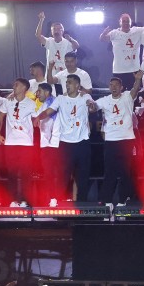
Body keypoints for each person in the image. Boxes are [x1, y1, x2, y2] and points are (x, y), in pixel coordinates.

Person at [40, 75, 99, 203]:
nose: (67, 84)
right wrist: (38, 118)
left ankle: (82, 203)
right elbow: (49, 111)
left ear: (77, 85)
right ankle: (58, 202)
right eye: (66, 82)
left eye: (70, 82)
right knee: (62, 175)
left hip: (82, 143)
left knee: (83, 176)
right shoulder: (61, 99)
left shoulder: (85, 97)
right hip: (65, 144)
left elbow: (92, 107)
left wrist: (91, 105)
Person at [96, 72, 143, 205]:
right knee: (109, 172)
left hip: (126, 140)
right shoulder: (105, 100)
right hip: (111, 141)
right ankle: (107, 202)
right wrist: (90, 104)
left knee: (125, 172)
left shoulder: (127, 97)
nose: (114, 87)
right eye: (111, 85)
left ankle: (123, 201)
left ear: (121, 87)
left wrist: (138, 79)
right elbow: (94, 106)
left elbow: (135, 89)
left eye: (116, 85)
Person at [0, 78, 41, 206]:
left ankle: (24, 200)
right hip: (10, 143)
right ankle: (12, 200)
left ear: (24, 88)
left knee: (26, 173)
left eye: (16, 85)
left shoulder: (31, 103)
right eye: (14, 84)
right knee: (11, 173)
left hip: (26, 143)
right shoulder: (8, 101)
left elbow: (38, 117)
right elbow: (1, 116)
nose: (14, 86)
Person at [36, 11, 81, 78]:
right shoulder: (49, 41)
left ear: (62, 31)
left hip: (65, 77)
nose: (56, 31)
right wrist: (41, 20)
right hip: (51, 76)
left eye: (59, 29)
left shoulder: (67, 42)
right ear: (51, 32)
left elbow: (76, 46)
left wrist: (70, 39)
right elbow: (38, 35)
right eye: (54, 29)